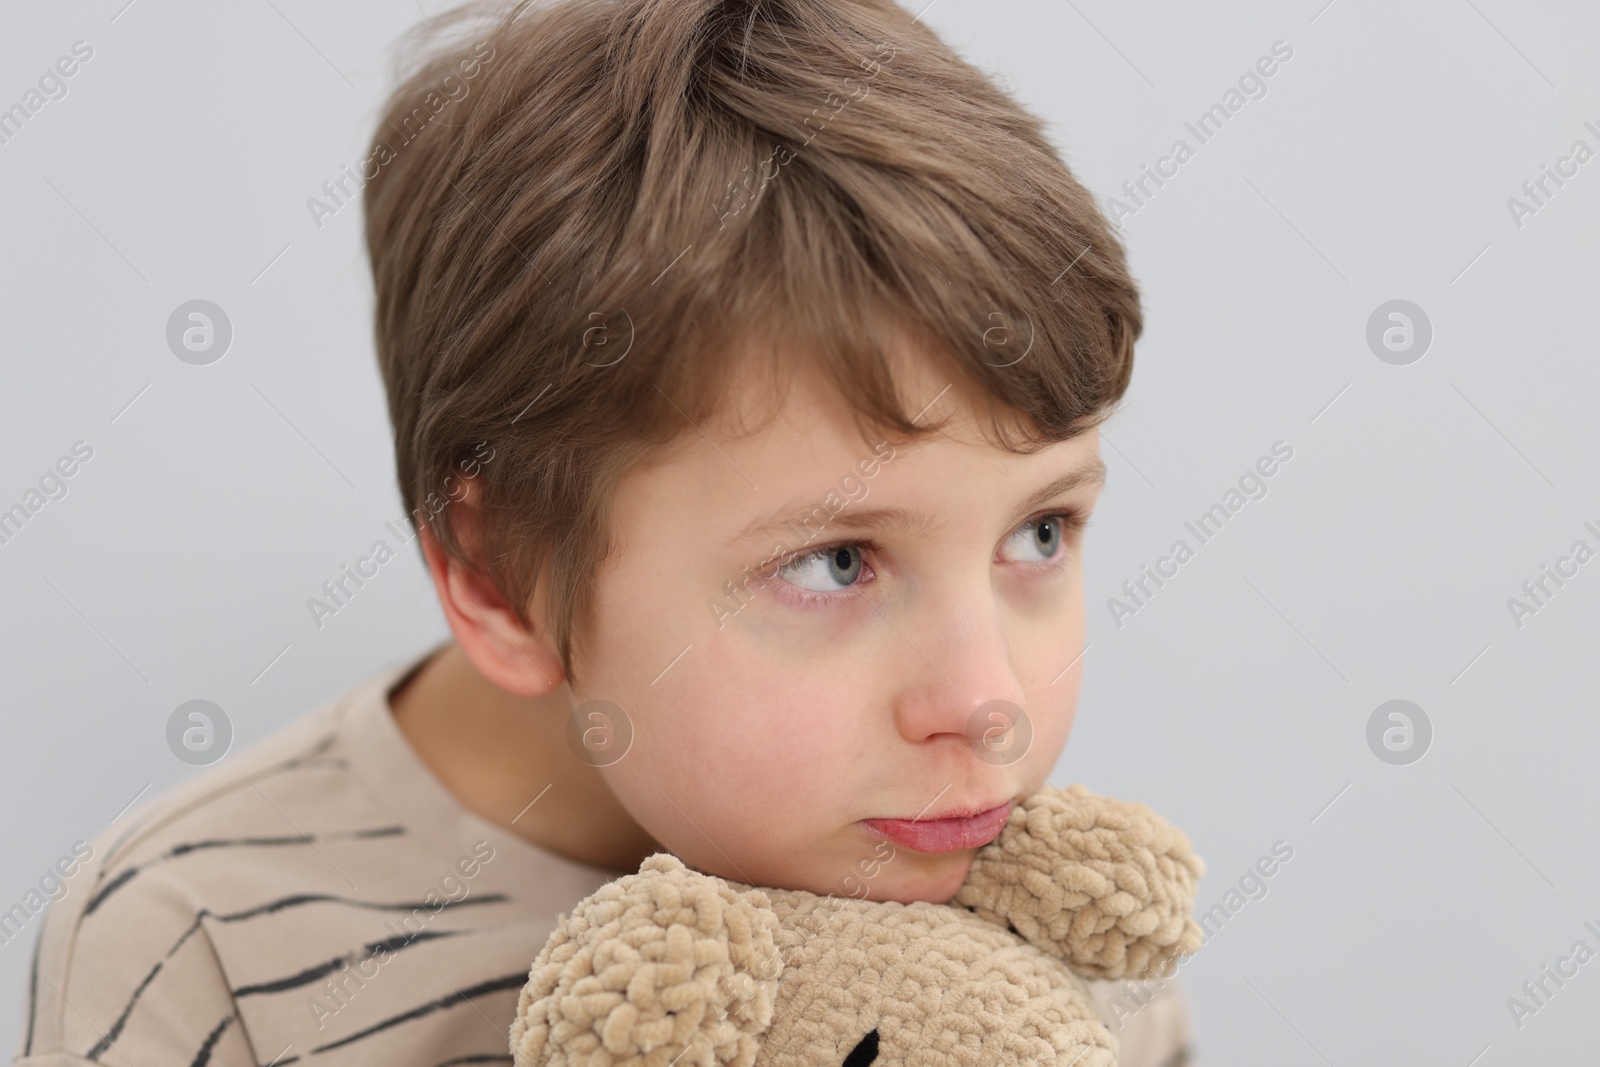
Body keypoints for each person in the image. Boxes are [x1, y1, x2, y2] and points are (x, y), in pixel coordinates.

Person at [15, 0, 1197, 1063]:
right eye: (835, 561)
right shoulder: (199, 940)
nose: (990, 701)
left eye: (1039, 533)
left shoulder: (1055, 935)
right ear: (501, 572)